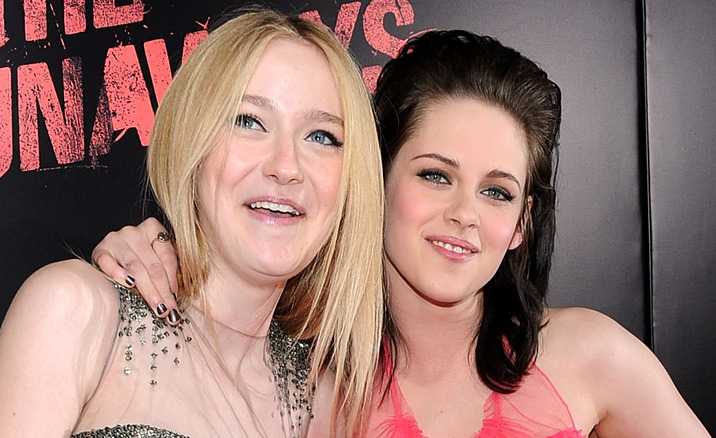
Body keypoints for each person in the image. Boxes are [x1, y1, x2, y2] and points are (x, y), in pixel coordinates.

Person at [92, 29, 710, 437]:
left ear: (522, 223)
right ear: (374, 180)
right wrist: (149, 256)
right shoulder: (306, 389)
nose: (466, 214)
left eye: (497, 191)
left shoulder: (592, 356)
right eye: (436, 176)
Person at [0, 8, 386, 438]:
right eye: (248, 121)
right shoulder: (75, 312)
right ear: (192, 143)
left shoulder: (327, 405)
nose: (286, 166)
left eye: (322, 137)